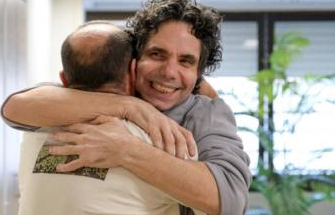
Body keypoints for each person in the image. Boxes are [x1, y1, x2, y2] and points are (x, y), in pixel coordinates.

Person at [2, 0, 252, 214]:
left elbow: (229, 200)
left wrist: (126, 150)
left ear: (199, 73)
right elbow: (15, 108)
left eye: (185, 61)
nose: (169, 72)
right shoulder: (90, 93)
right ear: (134, 61)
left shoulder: (205, 112)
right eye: (157, 54)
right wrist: (129, 106)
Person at [15, 20, 199, 215]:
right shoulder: (167, 141)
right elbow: (220, 203)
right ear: (132, 72)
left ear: (64, 80)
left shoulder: (36, 127)